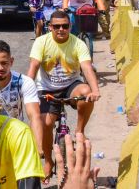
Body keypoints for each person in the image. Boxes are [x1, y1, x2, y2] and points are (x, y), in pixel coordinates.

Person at [26, 11, 100, 180]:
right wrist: (27, 89)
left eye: (65, 26)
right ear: (50, 27)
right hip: (46, 88)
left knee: (86, 93)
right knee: (46, 123)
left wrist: (96, 90)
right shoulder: (41, 42)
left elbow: (87, 68)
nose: (61, 29)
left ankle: (80, 130)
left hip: (70, 86)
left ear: (70, 27)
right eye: (57, 26)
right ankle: (48, 162)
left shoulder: (78, 44)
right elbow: (34, 65)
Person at [0, 40, 42, 153]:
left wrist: (37, 147)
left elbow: (34, 116)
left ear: (11, 61)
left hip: (15, 136)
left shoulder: (24, 82)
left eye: (4, 63)